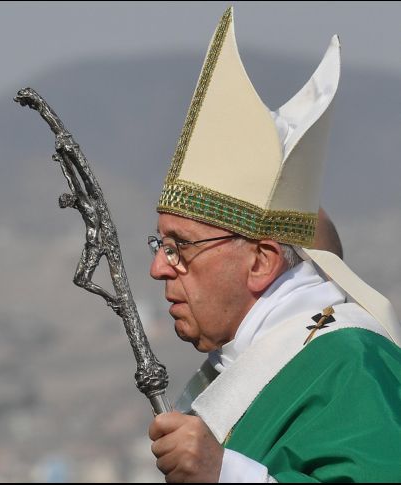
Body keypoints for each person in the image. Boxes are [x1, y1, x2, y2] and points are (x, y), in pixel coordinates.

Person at [145, 7, 401, 483]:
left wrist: (229, 476)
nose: (159, 268)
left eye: (181, 246)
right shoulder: (251, 365)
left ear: (261, 261)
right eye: (159, 245)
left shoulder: (349, 361)